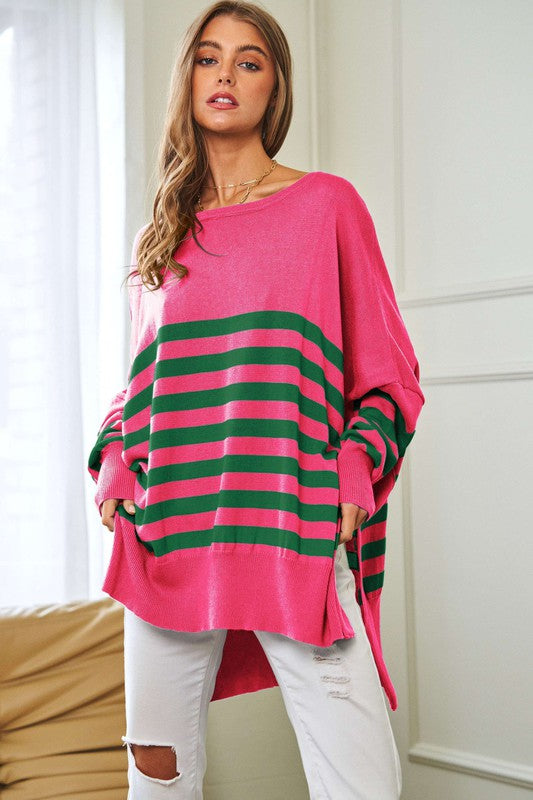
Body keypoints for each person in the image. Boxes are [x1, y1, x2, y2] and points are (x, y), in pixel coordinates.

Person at [87, 2, 425, 797]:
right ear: (187, 79)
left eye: (249, 61)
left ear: (275, 88)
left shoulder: (326, 206)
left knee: (359, 780)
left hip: (290, 520)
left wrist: (351, 470)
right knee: (157, 777)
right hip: (166, 529)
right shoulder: (160, 234)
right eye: (208, 58)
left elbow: (389, 374)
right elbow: (140, 387)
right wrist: (113, 464)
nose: (226, 75)